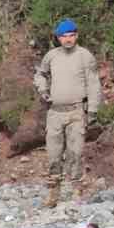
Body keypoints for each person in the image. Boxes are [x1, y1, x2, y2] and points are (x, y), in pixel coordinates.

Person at [34, 19, 102, 208]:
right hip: (55, 112)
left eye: (71, 35)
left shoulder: (85, 56)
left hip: (76, 112)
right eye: (64, 36)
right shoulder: (51, 56)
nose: (68, 39)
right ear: (58, 38)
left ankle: (76, 191)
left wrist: (93, 109)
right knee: (54, 154)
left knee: (76, 152)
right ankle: (53, 193)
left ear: (77, 36)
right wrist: (43, 90)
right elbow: (40, 74)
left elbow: (94, 83)